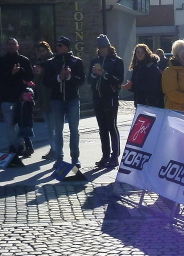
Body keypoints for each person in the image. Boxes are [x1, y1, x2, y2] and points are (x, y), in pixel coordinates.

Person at [43, 36, 85, 169]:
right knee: (58, 130)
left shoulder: (76, 61)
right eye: (56, 45)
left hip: (72, 99)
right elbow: (46, 81)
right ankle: (59, 158)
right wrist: (59, 77)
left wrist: (70, 76)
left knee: (74, 130)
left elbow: (81, 80)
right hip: (57, 100)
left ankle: (75, 158)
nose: (57, 47)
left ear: (67, 46)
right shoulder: (51, 62)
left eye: (60, 45)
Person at [88, 34, 124, 169]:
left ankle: (115, 156)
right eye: (100, 47)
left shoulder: (116, 61)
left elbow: (119, 80)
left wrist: (105, 74)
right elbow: (89, 80)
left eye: (104, 47)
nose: (102, 50)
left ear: (109, 47)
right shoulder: (95, 61)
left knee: (111, 126)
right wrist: (94, 74)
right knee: (102, 128)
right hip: (97, 97)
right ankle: (105, 156)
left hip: (110, 97)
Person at [0, 38, 34, 156]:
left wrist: (21, 70)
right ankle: (14, 145)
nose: (12, 46)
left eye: (14, 44)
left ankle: (22, 146)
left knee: (22, 123)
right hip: (6, 97)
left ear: (18, 46)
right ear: (6, 46)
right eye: (9, 44)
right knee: (10, 124)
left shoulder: (24, 60)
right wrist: (11, 73)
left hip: (21, 97)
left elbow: (30, 77)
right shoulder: (1, 61)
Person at [32, 41, 56, 160]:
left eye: (43, 50)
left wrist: (43, 72)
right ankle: (53, 149)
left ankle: (55, 150)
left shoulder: (53, 61)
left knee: (53, 126)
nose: (41, 53)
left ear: (48, 50)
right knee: (49, 126)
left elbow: (54, 78)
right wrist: (37, 73)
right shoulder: (38, 62)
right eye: (39, 51)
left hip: (52, 96)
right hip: (43, 97)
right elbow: (35, 82)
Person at [124, 44, 164, 108]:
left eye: (142, 52)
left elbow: (152, 86)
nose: (140, 54)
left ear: (146, 53)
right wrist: (131, 86)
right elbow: (135, 83)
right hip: (140, 101)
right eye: (138, 52)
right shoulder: (137, 66)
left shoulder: (151, 66)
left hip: (149, 102)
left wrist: (134, 86)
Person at [14, 86, 35, 154]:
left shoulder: (29, 103)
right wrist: (15, 121)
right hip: (21, 123)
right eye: (24, 95)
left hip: (27, 123)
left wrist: (29, 97)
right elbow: (17, 113)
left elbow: (31, 103)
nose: (25, 96)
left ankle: (30, 148)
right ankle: (27, 148)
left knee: (26, 137)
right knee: (24, 137)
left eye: (27, 95)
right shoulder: (20, 103)